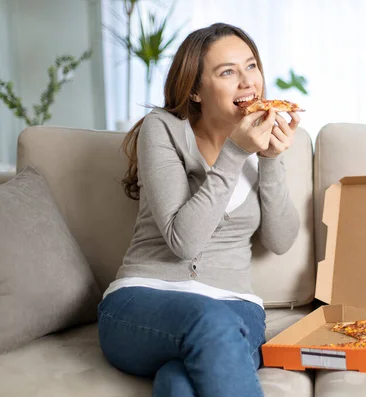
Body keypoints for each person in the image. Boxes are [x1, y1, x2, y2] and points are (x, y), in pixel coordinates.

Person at [97, 22, 300, 397]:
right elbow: (184, 241)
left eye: (251, 66)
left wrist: (269, 159)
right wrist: (236, 153)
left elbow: (281, 239)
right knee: (210, 319)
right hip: (142, 301)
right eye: (228, 72)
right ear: (194, 90)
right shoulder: (163, 129)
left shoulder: (262, 139)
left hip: (236, 308)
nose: (247, 82)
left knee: (178, 383)